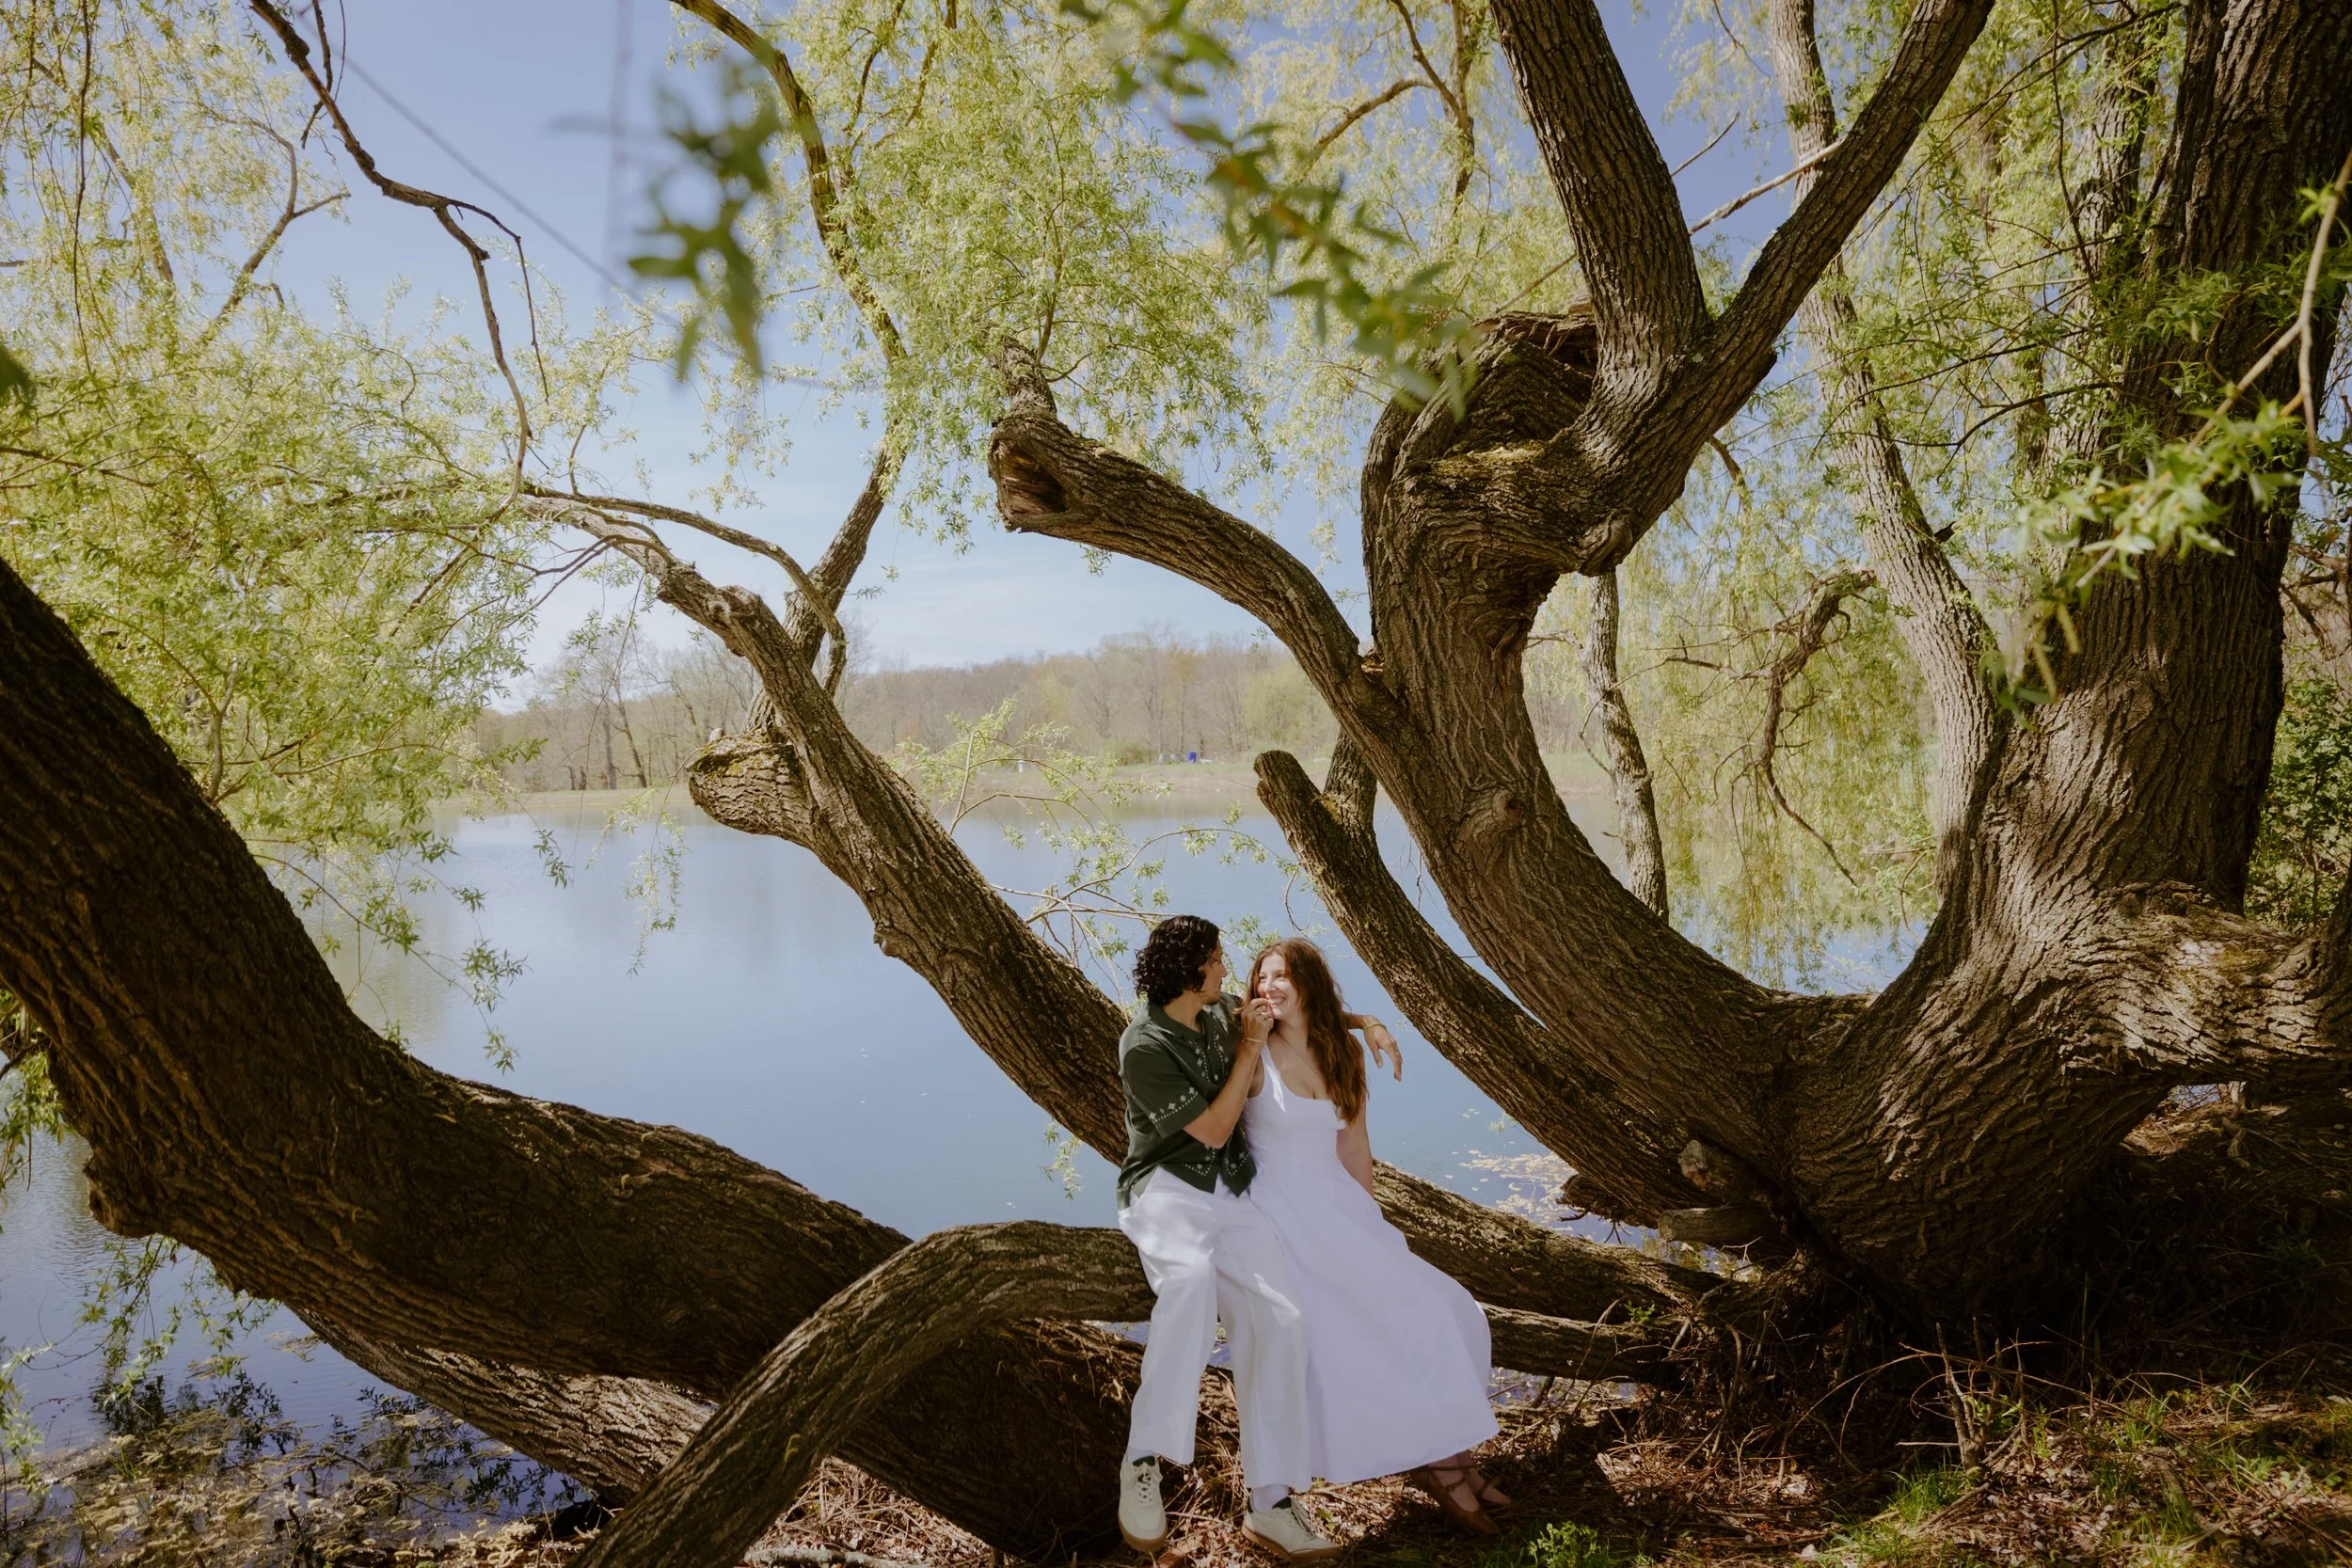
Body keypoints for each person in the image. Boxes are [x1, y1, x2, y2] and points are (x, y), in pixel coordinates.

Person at [1240, 937, 1510, 1535]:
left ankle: (1455, 1455)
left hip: (1337, 1205)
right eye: (1262, 977)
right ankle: (1442, 1467)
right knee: (1374, 1330)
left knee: (1448, 1309)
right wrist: (1366, 1017)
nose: (1268, 987)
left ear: (1308, 983)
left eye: (1281, 976)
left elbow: (1354, 1145)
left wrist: (1368, 1220)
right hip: (1282, 1213)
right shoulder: (1251, 1049)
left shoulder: (1343, 1053)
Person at [1112, 915, 1338, 1563]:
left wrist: (1365, 1024)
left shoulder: (1218, 1011)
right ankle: (1143, 1459)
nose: (1224, 965)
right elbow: (1212, 1131)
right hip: (1166, 1189)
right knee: (1189, 1286)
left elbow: (1291, 1014)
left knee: (1284, 1319)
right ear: (1191, 971)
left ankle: (1271, 1500)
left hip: (1231, 1190)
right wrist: (1247, 1053)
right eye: (1214, 958)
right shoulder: (1143, 1044)